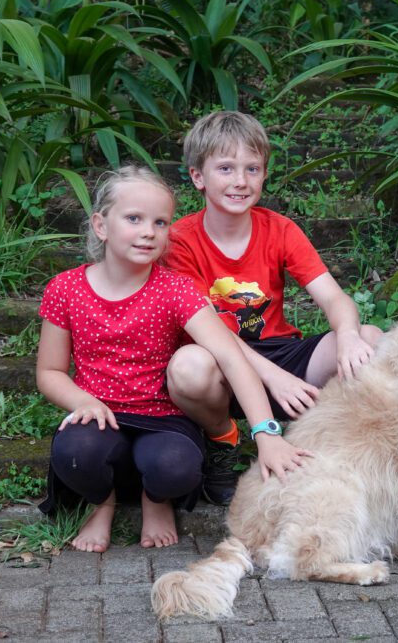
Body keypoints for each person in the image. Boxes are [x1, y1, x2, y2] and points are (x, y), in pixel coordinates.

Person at [35, 167, 300, 553]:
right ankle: (102, 502)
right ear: (100, 225)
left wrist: (266, 433)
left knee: (175, 467)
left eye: (160, 222)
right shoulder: (66, 288)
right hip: (98, 415)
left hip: (163, 420)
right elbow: (49, 371)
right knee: (76, 455)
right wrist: (83, 402)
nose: (149, 231)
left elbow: (230, 355)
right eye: (134, 219)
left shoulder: (175, 289)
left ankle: (156, 500)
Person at [162, 111, 382, 505]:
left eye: (252, 168)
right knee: (187, 367)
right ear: (198, 176)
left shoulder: (279, 229)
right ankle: (221, 440)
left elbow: (333, 297)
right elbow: (212, 331)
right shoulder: (180, 241)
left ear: (264, 174)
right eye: (226, 168)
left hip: (279, 351)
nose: (240, 181)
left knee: (371, 341)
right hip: (217, 365)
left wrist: (347, 336)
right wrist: (276, 379)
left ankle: (335, 451)